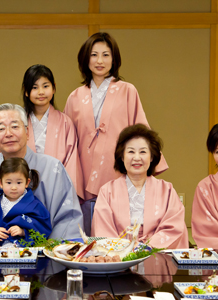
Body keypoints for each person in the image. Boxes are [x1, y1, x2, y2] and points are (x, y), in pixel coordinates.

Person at [64, 32, 168, 234]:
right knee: (85, 240)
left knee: (115, 240)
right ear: (86, 59)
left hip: (116, 171)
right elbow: (68, 140)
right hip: (83, 174)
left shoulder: (128, 91)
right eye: (94, 55)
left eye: (106, 55)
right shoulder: (75, 97)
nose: (100, 61)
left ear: (114, 59)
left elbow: (140, 129)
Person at [0, 103, 83, 240]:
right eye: (1, 128)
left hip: (44, 255)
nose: (8, 134)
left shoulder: (53, 169)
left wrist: (49, 252)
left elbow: (68, 220)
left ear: (27, 132)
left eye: (15, 126)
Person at [92, 124, 188, 249]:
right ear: (122, 156)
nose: (137, 158)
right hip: (119, 257)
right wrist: (124, 250)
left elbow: (174, 227)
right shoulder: (107, 191)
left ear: (152, 156)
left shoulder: (167, 190)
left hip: (155, 254)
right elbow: (103, 230)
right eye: (131, 151)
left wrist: (144, 248)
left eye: (143, 152)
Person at [22, 64, 84, 199]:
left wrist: (66, 191)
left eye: (45, 86)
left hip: (56, 188)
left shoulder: (66, 122)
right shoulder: (19, 122)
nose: (41, 92)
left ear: (54, 88)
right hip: (23, 187)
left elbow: (71, 160)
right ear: (26, 92)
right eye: (34, 87)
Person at [0, 157, 52, 250]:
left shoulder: (34, 205)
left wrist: (23, 231)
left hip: (18, 245)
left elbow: (43, 227)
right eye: (9, 182)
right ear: (0, 183)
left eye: (19, 182)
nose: (14, 187)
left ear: (27, 183)